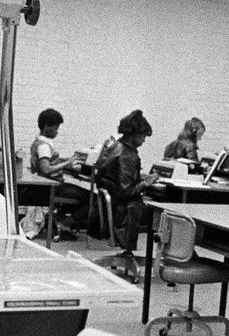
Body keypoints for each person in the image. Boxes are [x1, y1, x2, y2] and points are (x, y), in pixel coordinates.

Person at [98, 109, 157, 278]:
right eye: (144, 136)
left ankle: (128, 253)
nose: (144, 140)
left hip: (115, 208)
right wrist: (147, 182)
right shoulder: (128, 155)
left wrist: (140, 178)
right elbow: (126, 190)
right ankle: (174, 260)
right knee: (166, 214)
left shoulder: (113, 147)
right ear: (135, 134)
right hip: (125, 213)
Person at [30, 108, 90, 239]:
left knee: (78, 192)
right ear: (47, 126)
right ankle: (64, 223)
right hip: (52, 188)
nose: (57, 132)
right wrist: (67, 163)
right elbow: (45, 169)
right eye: (56, 128)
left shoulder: (38, 142)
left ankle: (59, 219)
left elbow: (47, 163)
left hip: (45, 186)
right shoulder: (44, 146)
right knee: (91, 197)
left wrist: (65, 162)